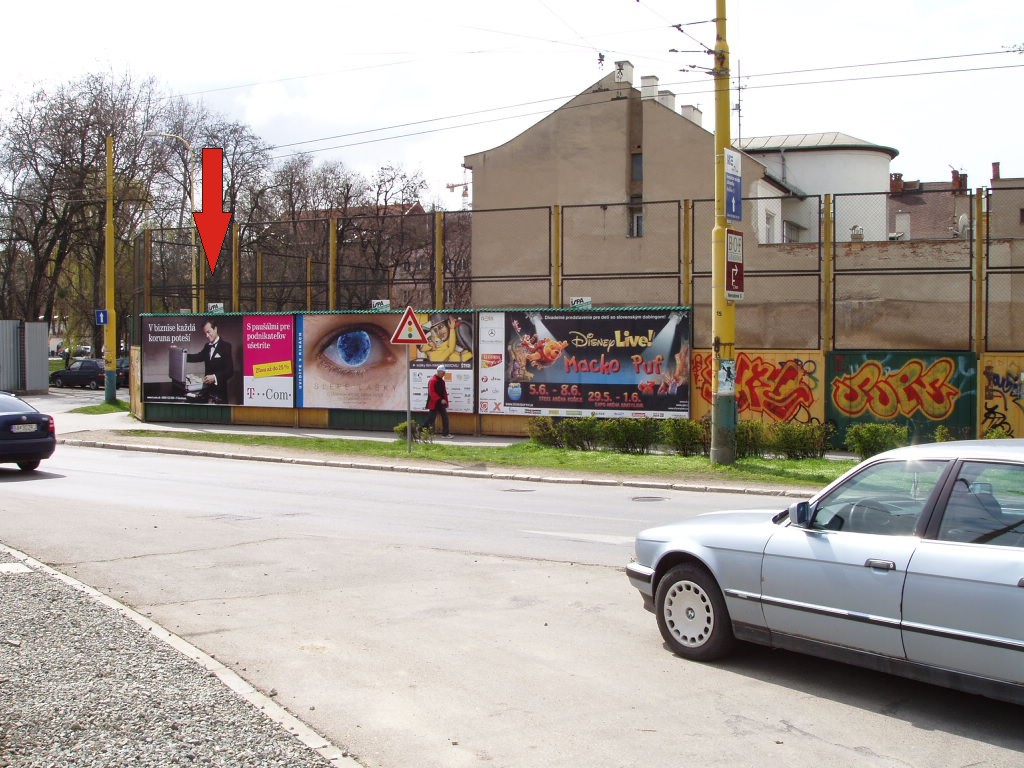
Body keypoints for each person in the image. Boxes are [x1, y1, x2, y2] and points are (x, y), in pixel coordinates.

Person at [186, 320, 234, 403]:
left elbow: (230, 371)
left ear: (215, 329)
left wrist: (214, 377)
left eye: (209, 332)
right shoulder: (207, 346)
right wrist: (181, 353)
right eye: (205, 333)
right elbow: (197, 357)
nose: (207, 336)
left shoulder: (226, 346)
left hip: (220, 394)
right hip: (207, 392)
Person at [420, 364, 452, 437]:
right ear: (439, 372)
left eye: (444, 372)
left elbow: (444, 392)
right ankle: (421, 431)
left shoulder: (442, 381)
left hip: (441, 403)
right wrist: (440, 400)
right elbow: (432, 392)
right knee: (431, 419)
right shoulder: (432, 380)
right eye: (443, 372)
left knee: (445, 417)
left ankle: (445, 434)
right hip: (434, 403)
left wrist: (445, 401)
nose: (444, 373)